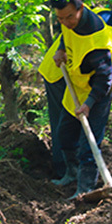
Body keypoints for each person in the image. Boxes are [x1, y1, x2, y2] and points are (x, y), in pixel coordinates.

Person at [49, 0, 112, 199]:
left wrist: (90, 103)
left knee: (89, 143)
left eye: (69, 17)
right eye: (60, 18)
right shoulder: (69, 19)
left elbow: (106, 79)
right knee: (64, 134)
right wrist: (61, 49)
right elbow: (67, 34)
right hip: (77, 85)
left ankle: (85, 188)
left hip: (98, 93)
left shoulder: (100, 40)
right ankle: (71, 173)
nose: (65, 22)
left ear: (80, 9)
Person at [38, 33, 70, 180]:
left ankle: (72, 168)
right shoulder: (100, 23)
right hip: (58, 72)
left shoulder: (95, 18)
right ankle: (63, 170)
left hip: (68, 71)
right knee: (65, 120)